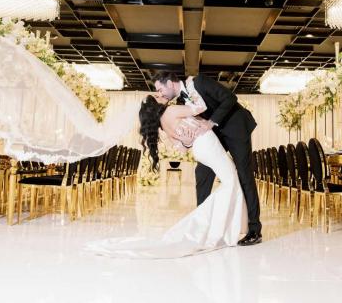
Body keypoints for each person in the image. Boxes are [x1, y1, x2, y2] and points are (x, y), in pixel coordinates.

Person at [85, 93, 247, 258]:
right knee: (231, 181)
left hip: (201, 148)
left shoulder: (163, 124)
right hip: (207, 144)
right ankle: (217, 228)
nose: (160, 94)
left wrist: (186, 139)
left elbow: (183, 147)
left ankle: (224, 227)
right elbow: (201, 107)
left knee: (230, 181)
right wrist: (189, 90)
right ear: (155, 104)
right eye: (157, 96)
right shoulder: (171, 110)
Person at [154, 72, 262, 246]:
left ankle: (254, 230)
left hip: (235, 128)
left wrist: (211, 122)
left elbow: (230, 98)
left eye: (160, 89)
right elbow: (192, 129)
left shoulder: (200, 82)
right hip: (214, 136)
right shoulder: (180, 103)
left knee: (244, 175)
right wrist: (186, 139)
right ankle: (202, 226)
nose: (161, 94)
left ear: (171, 83)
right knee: (202, 174)